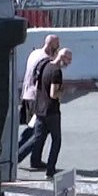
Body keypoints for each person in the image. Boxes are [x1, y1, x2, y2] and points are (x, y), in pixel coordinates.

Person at [28, 47, 72, 179]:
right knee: (56, 140)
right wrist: (64, 92)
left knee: (38, 138)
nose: (69, 63)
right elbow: (54, 93)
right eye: (68, 59)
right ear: (62, 57)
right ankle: (50, 169)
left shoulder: (46, 65)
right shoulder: (57, 72)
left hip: (40, 108)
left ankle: (34, 161)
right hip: (52, 111)